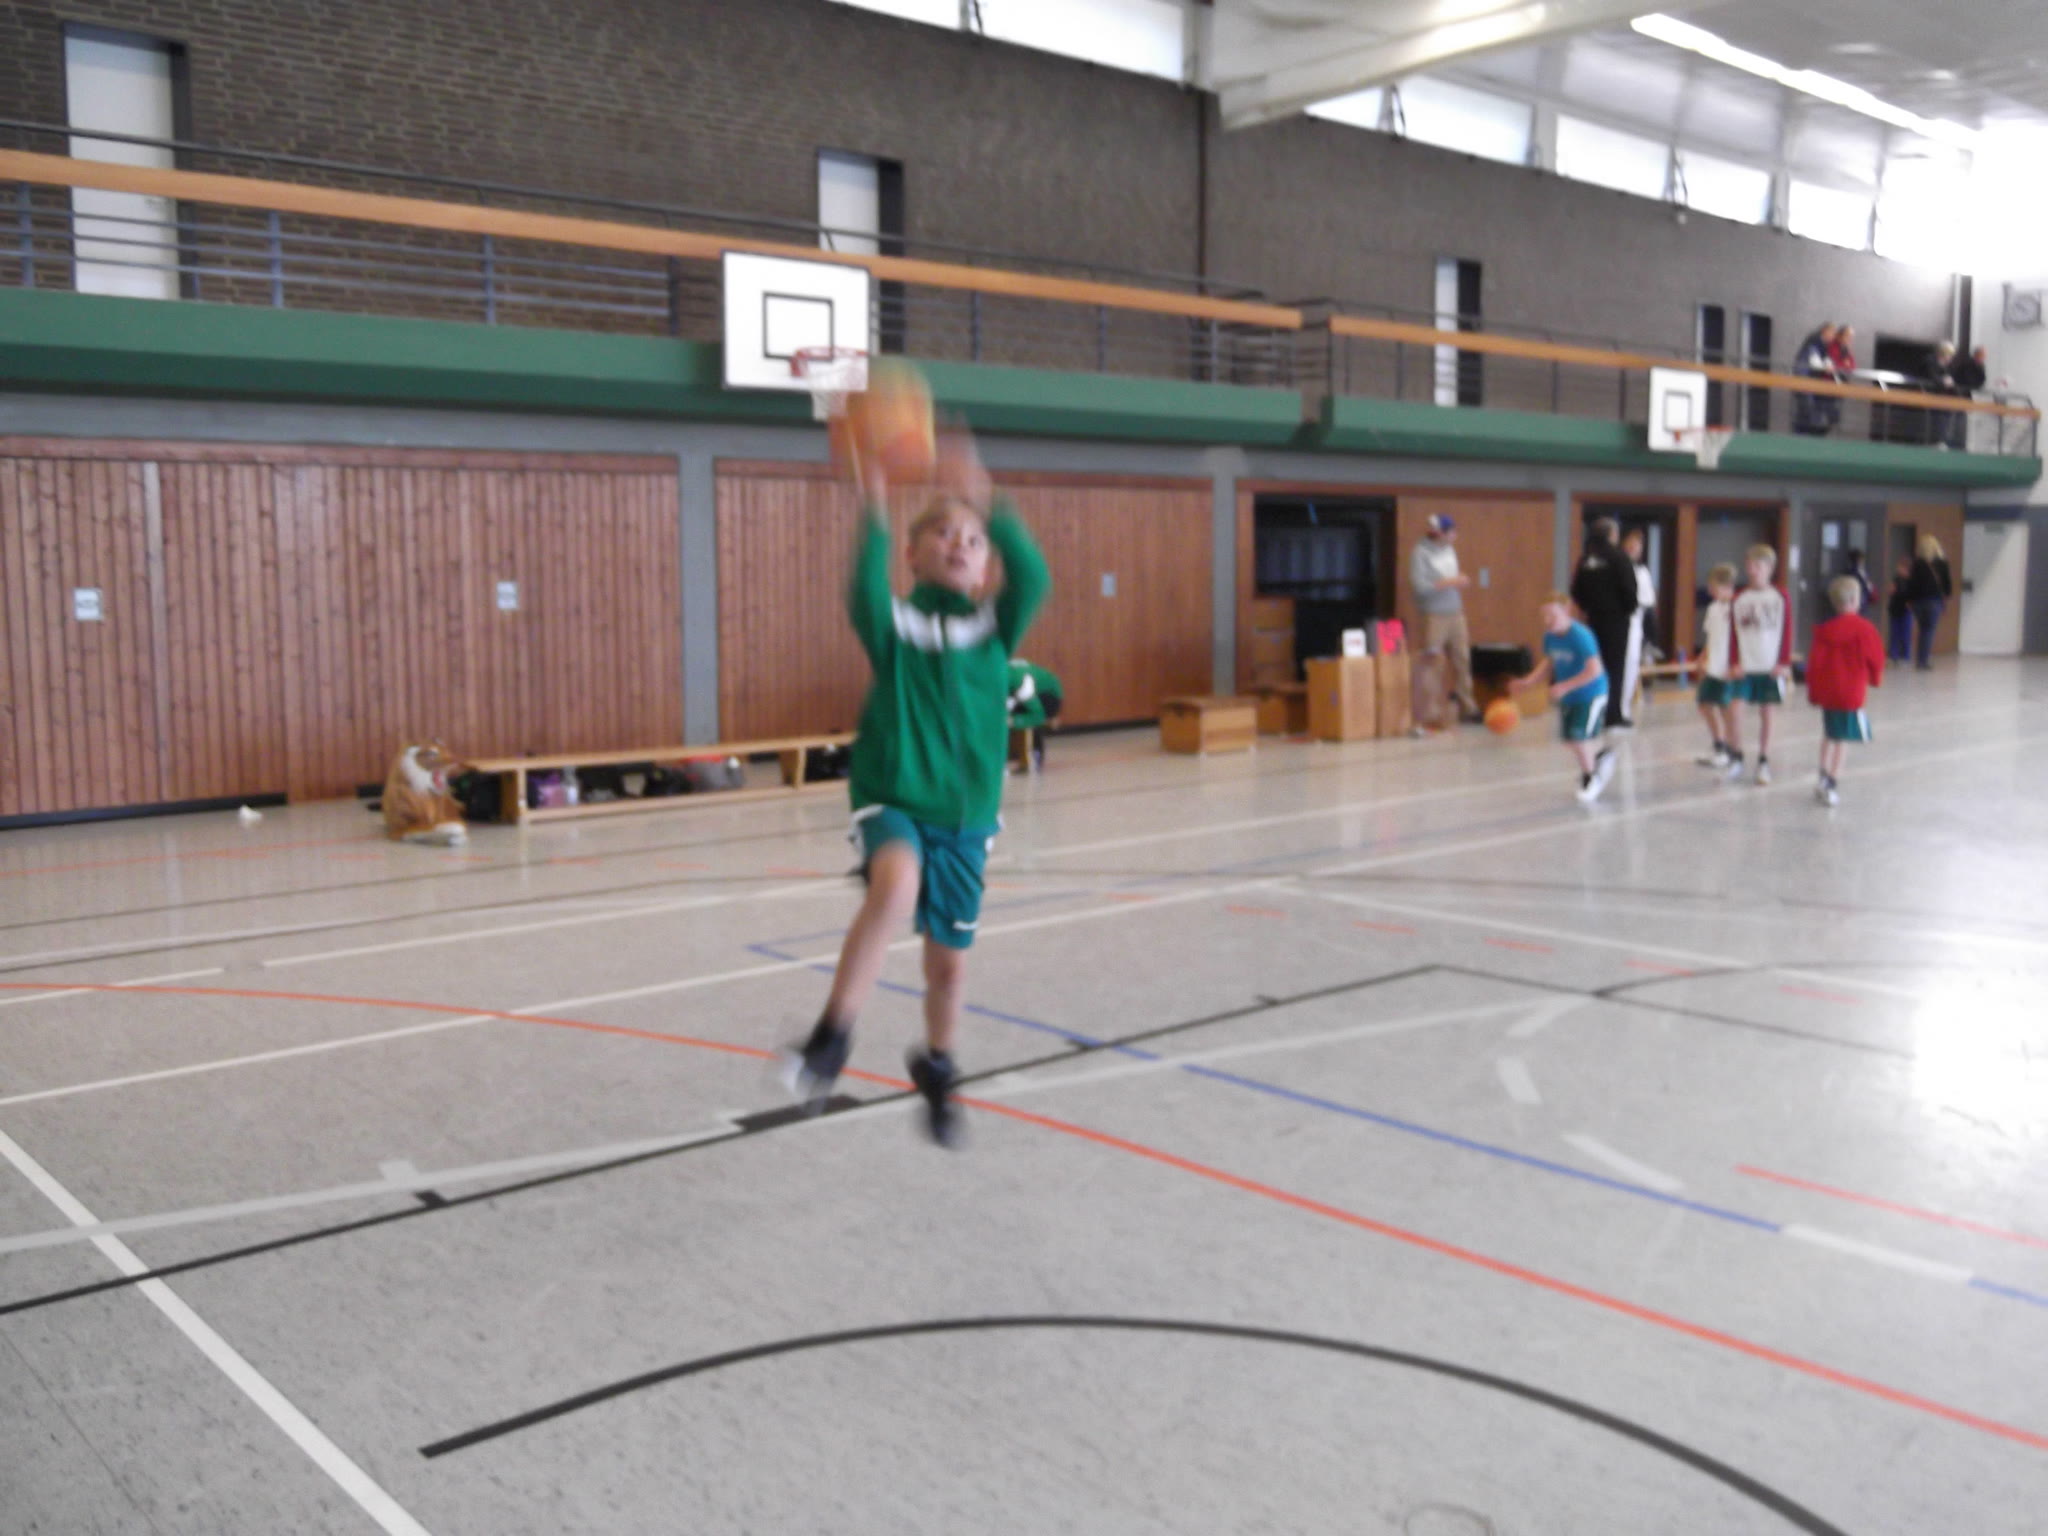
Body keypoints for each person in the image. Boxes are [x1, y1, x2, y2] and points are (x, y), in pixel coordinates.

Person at [782, 426, 1051, 1147]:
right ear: (912, 554)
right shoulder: (895, 625)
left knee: (948, 971)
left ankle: (937, 1065)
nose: (959, 543)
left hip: (966, 822)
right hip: (894, 798)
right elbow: (863, 588)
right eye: (941, 533)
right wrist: (873, 505)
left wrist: (984, 497)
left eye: (973, 539)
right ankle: (832, 1035)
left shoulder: (993, 629)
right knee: (896, 884)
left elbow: (1035, 577)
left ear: (986, 563)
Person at [1510, 594, 1614, 805]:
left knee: (1578, 737)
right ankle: (1599, 757)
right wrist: (1528, 682)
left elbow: (1594, 670)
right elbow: (1549, 663)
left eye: (1553, 615)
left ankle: (1591, 778)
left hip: (1591, 693)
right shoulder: (1550, 637)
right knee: (1570, 740)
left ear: (1566, 610)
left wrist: (1564, 686)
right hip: (1570, 695)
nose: (1548, 620)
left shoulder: (1581, 636)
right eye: (1545, 616)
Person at [1806, 574, 1886, 807]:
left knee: (1829, 733)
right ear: (1854, 600)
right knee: (1843, 739)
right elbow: (1876, 659)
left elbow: (1814, 664)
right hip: (1851, 692)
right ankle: (1832, 781)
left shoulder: (1824, 631)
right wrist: (1875, 680)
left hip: (1828, 692)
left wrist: (1814, 693)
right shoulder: (1865, 629)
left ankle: (1822, 774)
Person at [1724, 543, 1791, 786]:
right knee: (1735, 709)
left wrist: (1784, 662)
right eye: (1750, 566)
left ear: (1770, 568)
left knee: (1767, 712)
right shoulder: (1739, 598)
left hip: (1769, 665)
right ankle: (1736, 755)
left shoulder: (1780, 597)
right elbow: (1733, 634)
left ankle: (1764, 760)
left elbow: (1787, 630)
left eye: (1759, 566)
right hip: (1745, 665)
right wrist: (1733, 662)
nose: (1753, 570)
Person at [1569, 517, 1638, 731]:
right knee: (1614, 668)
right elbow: (1629, 590)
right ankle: (1612, 715)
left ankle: (1594, 712)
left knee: (1594, 666)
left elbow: (1576, 591)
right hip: (1616, 621)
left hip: (1593, 620)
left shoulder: (1586, 559)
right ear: (1612, 535)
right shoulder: (1619, 557)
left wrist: (1587, 608)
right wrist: (1627, 610)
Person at [1409, 513, 1479, 722]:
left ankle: (1467, 707)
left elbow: (1451, 579)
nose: (1454, 536)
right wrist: (1451, 582)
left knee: (1462, 660)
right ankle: (1430, 712)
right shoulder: (1420, 553)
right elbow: (1420, 587)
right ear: (1439, 533)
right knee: (1433, 664)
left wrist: (1457, 582)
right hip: (1434, 615)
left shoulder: (1449, 549)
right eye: (1451, 532)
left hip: (1455, 613)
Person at [1693, 563, 1741, 773]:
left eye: (1715, 587)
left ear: (1727, 586)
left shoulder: (1737, 609)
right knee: (1704, 704)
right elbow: (1711, 637)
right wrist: (1702, 657)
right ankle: (1719, 744)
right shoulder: (1713, 609)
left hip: (1727, 669)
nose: (1711, 591)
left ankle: (1730, 749)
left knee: (1725, 708)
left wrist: (1737, 665)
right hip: (1712, 667)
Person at [1620, 527, 1657, 728]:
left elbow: (1647, 602)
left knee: (1630, 666)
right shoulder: (1614, 568)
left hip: (1634, 624)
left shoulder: (1642, 572)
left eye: (1637, 545)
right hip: (1615, 623)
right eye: (1630, 544)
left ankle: (1624, 709)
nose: (1633, 548)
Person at [1904, 534, 1952, 671]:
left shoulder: (1917, 564)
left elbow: (1911, 584)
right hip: (1934, 601)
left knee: (1922, 629)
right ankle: (1923, 661)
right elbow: (1947, 585)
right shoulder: (1942, 563)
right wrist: (1946, 596)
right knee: (1929, 631)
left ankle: (1920, 659)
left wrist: (1909, 599)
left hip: (1918, 603)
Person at [1006, 657, 1063, 772]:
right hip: (1019, 689)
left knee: (1024, 716)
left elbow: (1038, 716)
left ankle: (1034, 756)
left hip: (1049, 696)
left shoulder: (1021, 684)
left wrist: (1013, 721)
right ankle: (1012, 753)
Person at [1792, 323, 1838, 436]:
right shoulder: (1814, 341)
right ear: (1825, 331)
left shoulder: (1823, 345)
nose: (1833, 337)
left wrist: (1828, 364)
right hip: (1804, 382)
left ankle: (1803, 434)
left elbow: (1825, 359)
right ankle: (1802, 436)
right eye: (1832, 333)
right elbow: (1814, 362)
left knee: (1807, 412)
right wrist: (1826, 367)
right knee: (1806, 411)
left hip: (1809, 382)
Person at [1948, 345, 1989, 449]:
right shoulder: (1968, 365)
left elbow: (1981, 381)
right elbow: (1969, 381)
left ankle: (1959, 442)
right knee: (1956, 418)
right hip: (1958, 395)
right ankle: (1954, 442)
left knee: (1961, 418)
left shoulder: (1979, 366)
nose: (1984, 358)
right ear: (1977, 355)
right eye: (1982, 356)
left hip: (1964, 395)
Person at [1886, 557, 1915, 663]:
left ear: (1907, 569)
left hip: (1906, 610)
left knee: (1906, 633)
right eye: (1899, 567)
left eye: (1901, 567)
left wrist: (1911, 602)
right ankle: (1893, 655)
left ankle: (1905, 655)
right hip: (1895, 608)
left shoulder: (1911, 581)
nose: (1899, 569)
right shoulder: (1896, 579)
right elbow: (1891, 591)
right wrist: (1891, 590)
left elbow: (1913, 594)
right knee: (1894, 633)